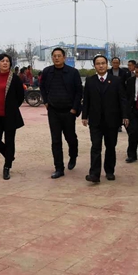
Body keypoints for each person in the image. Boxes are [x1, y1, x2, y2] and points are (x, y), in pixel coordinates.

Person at [81, 55, 129, 183]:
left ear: (107, 65)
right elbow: (86, 100)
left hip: (112, 120)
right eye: (98, 63)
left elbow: (122, 99)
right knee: (95, 147)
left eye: (103, 63)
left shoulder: (116, 80)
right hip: (95, 120)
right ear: (94, 66)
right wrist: (84, 116)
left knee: (110, 147)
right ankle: (94, 174)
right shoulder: (90, 81)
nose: (101, 66)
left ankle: (109, 171)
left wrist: (125, 115)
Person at [40, 47, 83, 178]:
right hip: (53, 111)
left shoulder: (73, 72)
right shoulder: (47, 72)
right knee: (56, 140)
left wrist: (74, 109)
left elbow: (79, 91)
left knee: (70, 138)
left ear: (64, 57)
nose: (57, 58)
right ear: (52, 58)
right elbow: (42, 87)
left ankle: (73, 155)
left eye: (59, 56)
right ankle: (59, 168)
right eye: (54, 56)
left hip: (69, 111)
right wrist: (46, 102)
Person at [0, 53, 25, 180]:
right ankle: (9, 155)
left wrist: (12, 107)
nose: (5, 63)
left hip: (10, 116)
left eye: (7, 61)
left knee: (10, 141)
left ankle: (7, 166)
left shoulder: (15, 79)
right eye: (2, 61)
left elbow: (20, 96)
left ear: (10, 63)